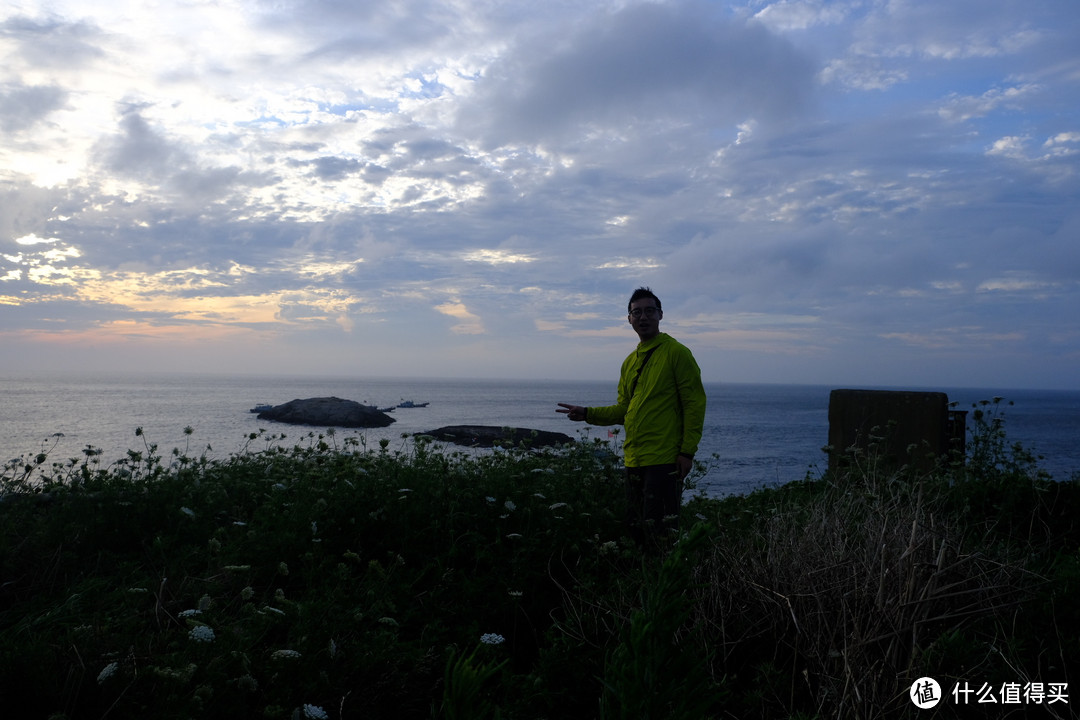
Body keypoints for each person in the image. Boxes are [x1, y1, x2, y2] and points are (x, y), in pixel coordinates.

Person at [558, 287, 707, 547]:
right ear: (629, 319)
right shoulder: (629, 362)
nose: (643, 317)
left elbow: (694, 405)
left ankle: (666, 584)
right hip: (634, 460)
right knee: (636, 530)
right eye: (636, 312)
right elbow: (623, 410)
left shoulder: (677, 354)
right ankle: (641, 583)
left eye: (649, 311)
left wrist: (687, 452)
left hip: (664, 460)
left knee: (661, 533)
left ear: (661, 315)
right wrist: (587, 414)